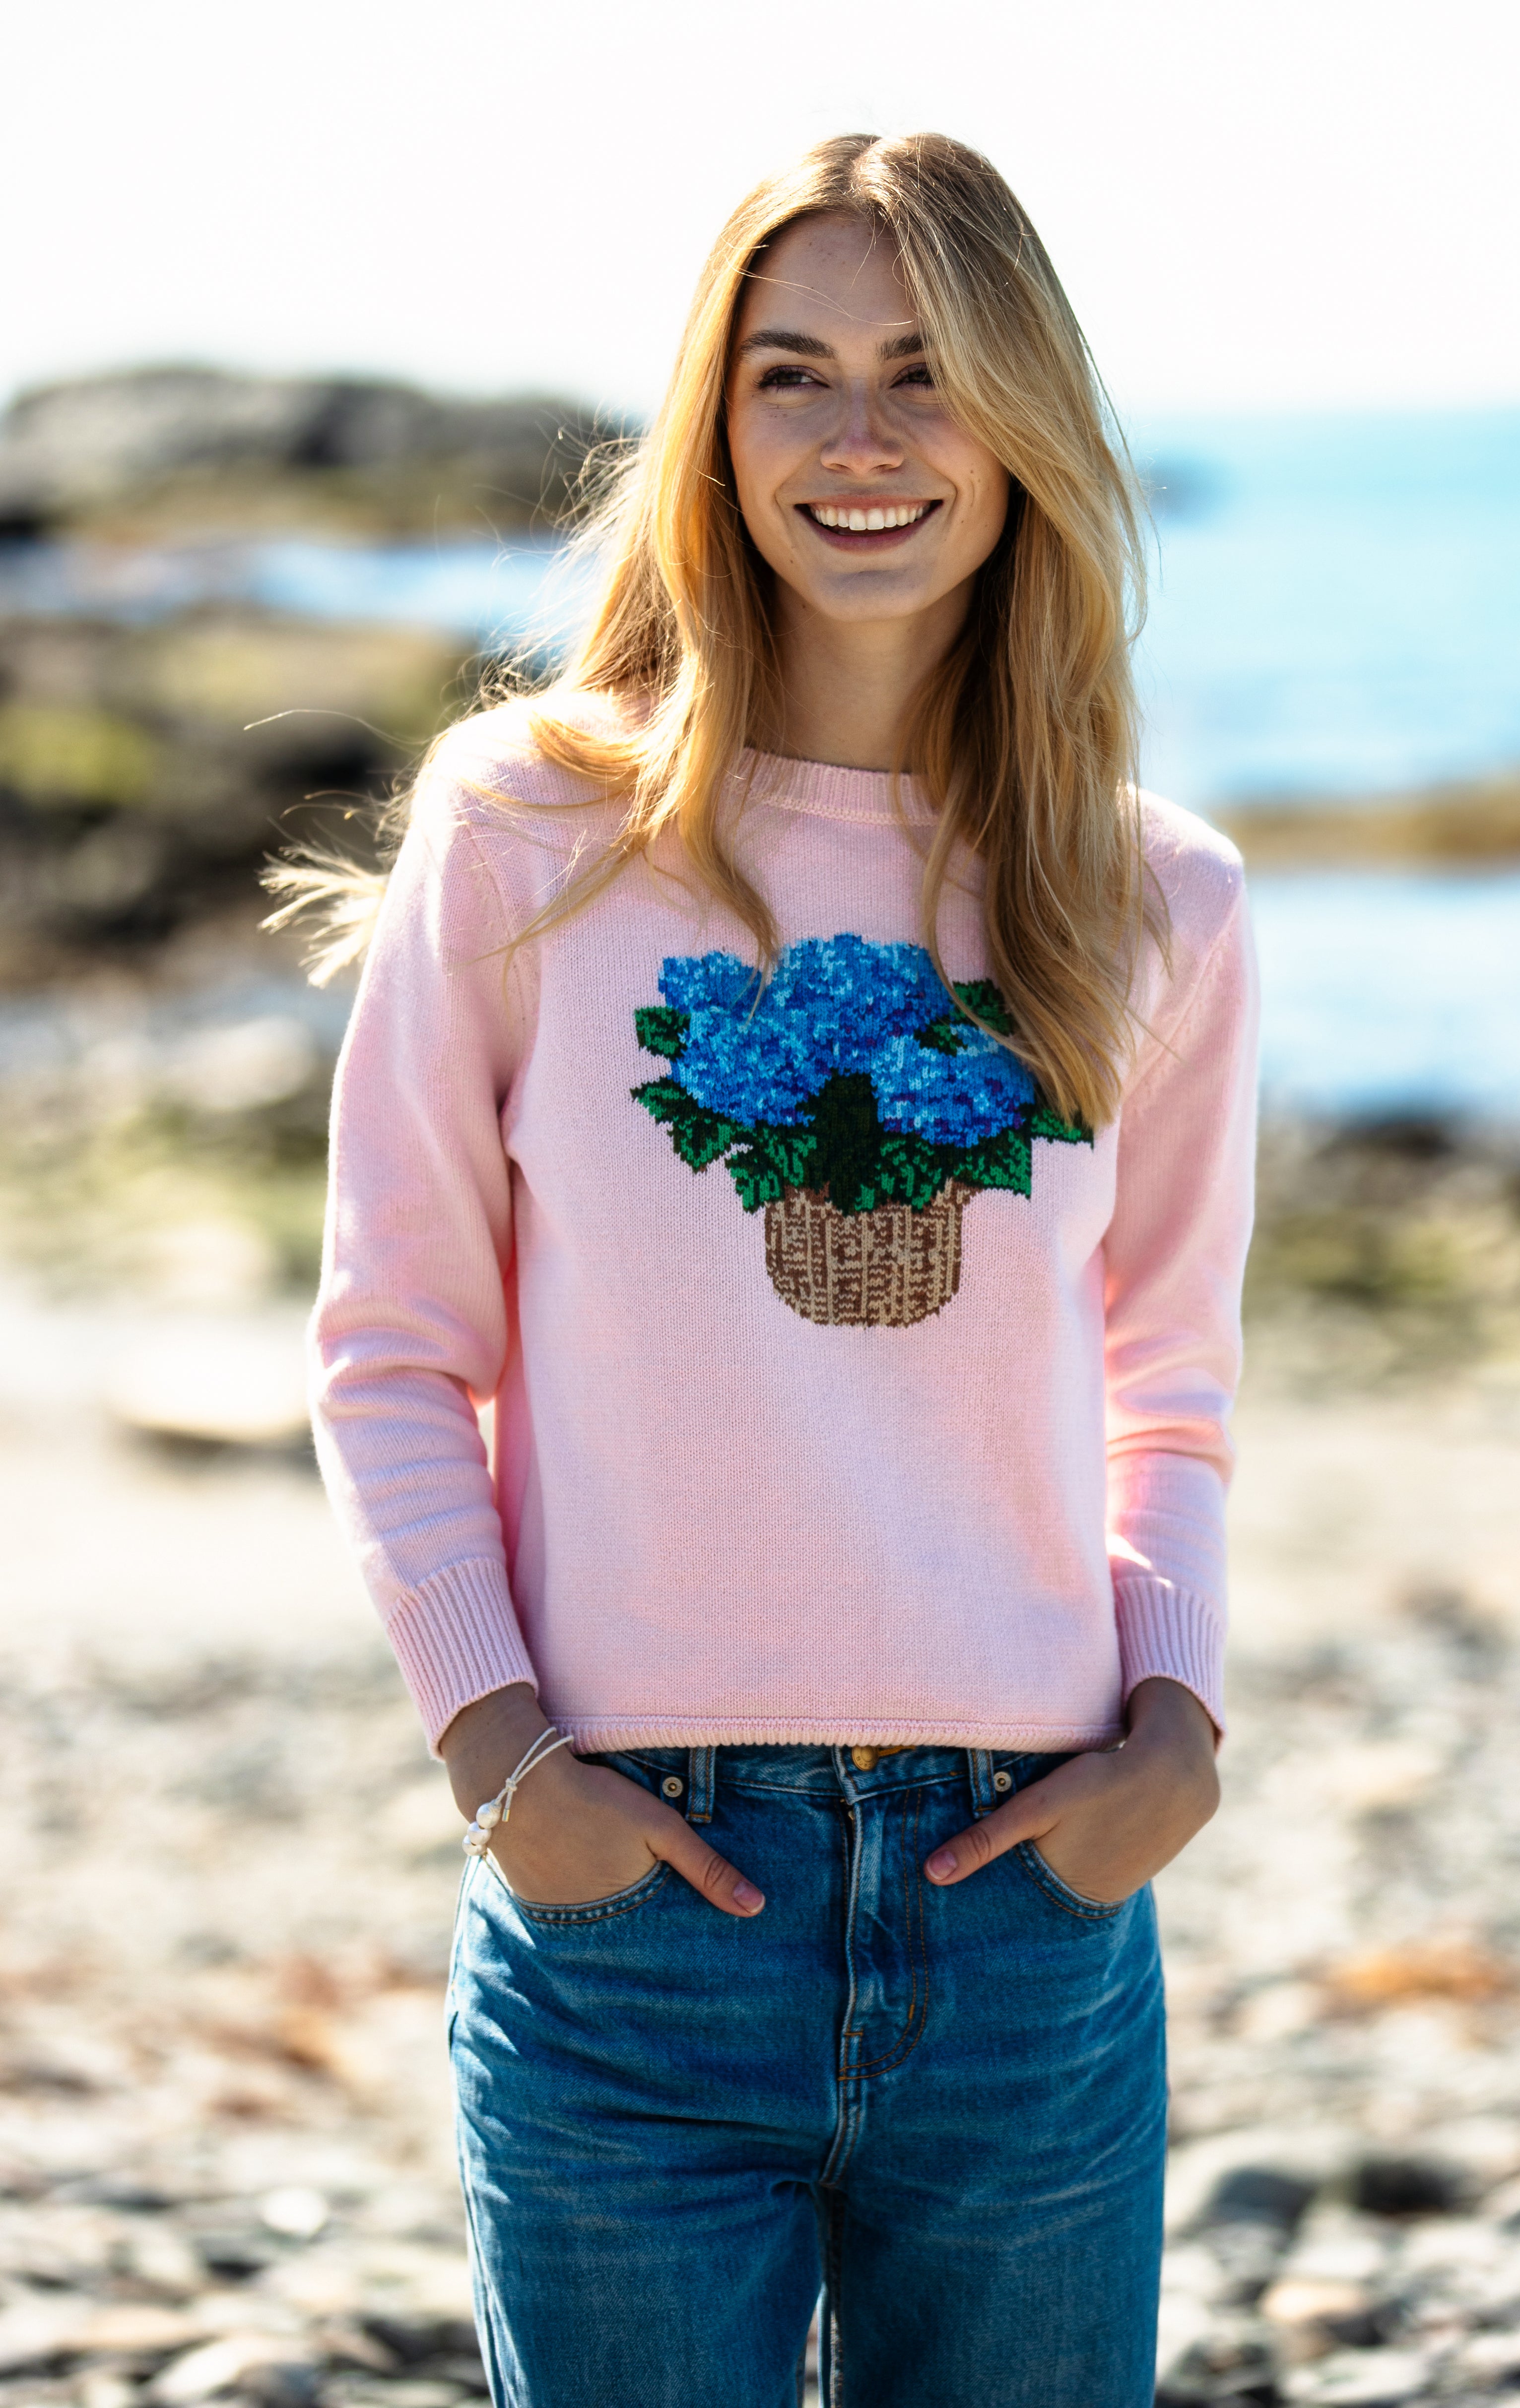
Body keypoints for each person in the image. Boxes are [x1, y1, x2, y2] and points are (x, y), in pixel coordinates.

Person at [295, 129, 1256, 2408]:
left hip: (1030, 1904)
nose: (862, 437)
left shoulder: (1155, 897)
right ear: (714, 430)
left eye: (928, 371)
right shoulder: (531, 826)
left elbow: (1174, 1382)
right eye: (793, 373)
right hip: (633, 1903)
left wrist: (1180, 1723)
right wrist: (499, 1745)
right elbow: (391, 1345)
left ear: (1025, 419)